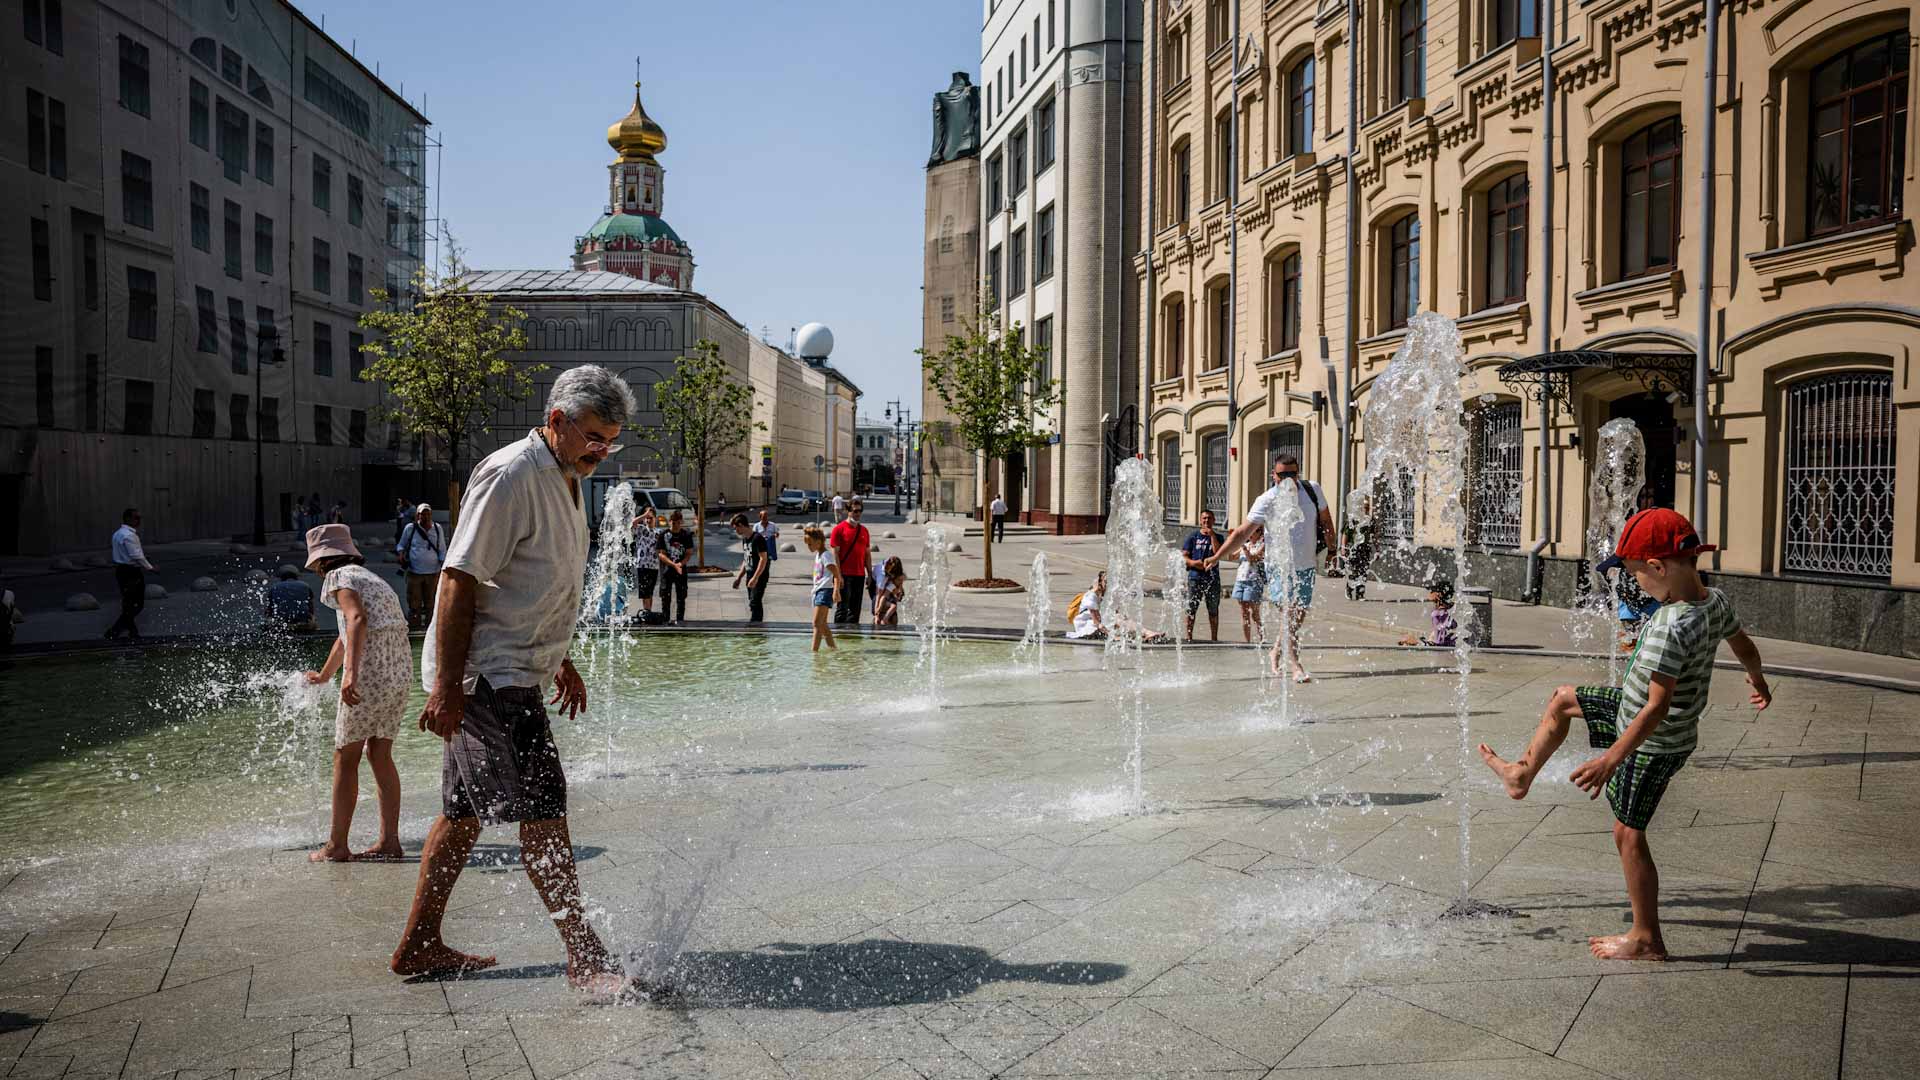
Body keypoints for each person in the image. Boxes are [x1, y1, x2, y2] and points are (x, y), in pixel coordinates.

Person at [391, 364, 641, 999]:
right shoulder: (510, 475)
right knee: (546, 810)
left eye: (610, 440)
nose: (600, 450)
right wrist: (447, 686)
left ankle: (419, 944)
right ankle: (583, 956)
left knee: (462, 814)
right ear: (555, 421)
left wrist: (560, 657)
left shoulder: (566, 476)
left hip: (516, 670)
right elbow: (458, 579)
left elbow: (533, 581)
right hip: (489, 680)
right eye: (592, 435)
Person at [1479, 507, 1770, 962]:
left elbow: (1655, 708)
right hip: (1636, 715)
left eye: (1635, 575)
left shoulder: (1671, 628)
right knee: (1563, 699)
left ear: (1657, 567)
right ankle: (1521, 774)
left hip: (1653, 741)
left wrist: (1610, 759)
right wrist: (1757, 678)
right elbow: (1743, 644)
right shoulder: (1715, 601)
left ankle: (1646, 937)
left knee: (1627, 834)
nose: (1635, 584)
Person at [301, 525, 409, 863]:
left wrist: (350, 674)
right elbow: (347, 631)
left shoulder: (338, 578)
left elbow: (357, 619)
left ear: (322, 562)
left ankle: (337, 846)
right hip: (398, 675)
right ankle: (390, 842)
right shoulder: (370, 578)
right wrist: (325, 674)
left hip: (369, 676)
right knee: (380, 755)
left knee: (344, 758)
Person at [1211, 453, 1335, 682]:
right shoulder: (1266, 500)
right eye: (1282, 474)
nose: (1288, 479)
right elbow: (1241, 532)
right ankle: (1296, 665)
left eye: (1292, 474)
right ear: (1273, 475)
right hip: (1279, 567)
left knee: (1296, 616)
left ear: (1298, 473)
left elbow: (1326, 520)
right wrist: (1218, 555)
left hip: (1307, 565)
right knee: (1289, 613)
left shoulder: (1312, 490)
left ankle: (1275, 651)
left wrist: (1333, 550)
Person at [105, 508, 155, 641]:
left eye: (139, 518)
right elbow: (136, 555)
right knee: (137, 604)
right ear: (127, 519)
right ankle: (114, 631)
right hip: (131, 572)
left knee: (128, 604)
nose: (138, 521)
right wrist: (150, 568)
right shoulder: (129, 535)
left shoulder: (117, 534)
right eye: (136, 518)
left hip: (121, 570)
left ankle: (132, 632)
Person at [396, 504, 446, 631]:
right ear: (418, 515)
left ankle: (430, 628)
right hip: (415, 572)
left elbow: (442, 549)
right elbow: (401, 545)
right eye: (423, 513)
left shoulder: (437, 528)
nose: (426, 516)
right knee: (414, 602)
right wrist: (401, 555)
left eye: (428, 513)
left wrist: (443, 566)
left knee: (431, 602)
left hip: (433, 572)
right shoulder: (410, 528)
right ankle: (414, 627)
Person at [1181, 510, 1224, 642]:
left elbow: (1218, 554)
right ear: (1200, 521)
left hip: (1212, 578)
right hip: (1195, 577)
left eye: (1209, 518)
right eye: (1204, 519)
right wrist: (1193, 563)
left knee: (1213, 609)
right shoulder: (1193, 536)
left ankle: (1214, 638)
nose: (1206, 521)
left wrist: (1212, 536)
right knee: (1191, 609)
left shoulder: (1219, 537)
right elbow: (1184, 556)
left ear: (1214, 520)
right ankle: (1189, 637)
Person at [828, 497, 871, 627]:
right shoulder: (839, 529)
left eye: (860, 511)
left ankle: (853, 637)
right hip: (844, 575)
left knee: (855, 610)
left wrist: (870, 574)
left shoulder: (864, 530)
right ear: (848, 511)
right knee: (842, 608)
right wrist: (838, 576)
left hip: (859, 575)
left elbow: (867, 554)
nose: (858, 514)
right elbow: (835, 554)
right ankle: (839, 636)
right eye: (855, 511)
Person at [804, 525, 840, 651]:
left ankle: (814, 652)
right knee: (823, 624)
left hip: (825, 591)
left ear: (818, 542)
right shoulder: (819, 554)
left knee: (816, 623)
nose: (808, 547)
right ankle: (833, 648)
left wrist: (836, 591)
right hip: (819, 590)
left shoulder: (826, 555)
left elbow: (836, 574)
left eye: (810, 544)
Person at [730, 513, 771, 623]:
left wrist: (756, 577)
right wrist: (739, 578)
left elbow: (763, 559)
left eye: (736, 528)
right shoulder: (745, 539)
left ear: (741, 525)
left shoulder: (758, 538)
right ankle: (756, 624)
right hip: (749, 574)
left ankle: (756, 625)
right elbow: (746, 559)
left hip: (760, 575)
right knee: (752, 602)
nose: (736, 531)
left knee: (755, 601)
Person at [1230, 524, 1267, 643]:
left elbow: (1252, 559)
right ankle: (1247, 641)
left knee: (1254, 613)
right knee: (1244, 612)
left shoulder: (1262, 546)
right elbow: (1231, 557)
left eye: (1254, 531)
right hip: (1240, 581)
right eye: (1249, 532)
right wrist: (1232, 541)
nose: (1251, 534)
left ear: (1259, 533)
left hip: (1253, 582)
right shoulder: (1245, 545)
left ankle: (1262, 639)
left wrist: (1243, 548)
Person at [656, 509, 693, 625]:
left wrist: (680, 564)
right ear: (669, 522)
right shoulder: (663, 535)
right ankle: (666, 618)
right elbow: (661, 554)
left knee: (681, 596)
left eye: (677, 522)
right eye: (672, 521)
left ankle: (680, 619)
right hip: (667, 570)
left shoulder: (685, 535)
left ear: (681, 522)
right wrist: (673, 565)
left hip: (681, 569)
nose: (674, 524)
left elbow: (688, 553)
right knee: (665, 596)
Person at [1399, 580, 1457, 647]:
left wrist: (1415, 643)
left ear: (1438, 594)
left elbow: (1438, 644)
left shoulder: (1438, 614)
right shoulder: (1446, 612)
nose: (1430, 593)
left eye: (1432, 591)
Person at [629, 505, 660, 618]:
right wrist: (644, 515)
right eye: (647, 518)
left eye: (650, 518)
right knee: (644, 591)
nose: (648, 520)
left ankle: (648, 612)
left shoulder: (658, 532)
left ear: (655, 518)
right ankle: (646, 612)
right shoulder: (641, 529)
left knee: (650, 591)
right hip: (642, 565)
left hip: (654, 566)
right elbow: (632, 523)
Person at [264, 567, 317, 632]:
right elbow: (310, 605)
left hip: (280, 625)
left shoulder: (274, 587)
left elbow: (270, 608)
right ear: (296, 578)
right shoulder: (305, 586)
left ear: (282, 579)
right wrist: (311, 618)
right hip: (302, 623)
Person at [1066, 573, 1107, 640]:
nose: (1108, 585)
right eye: (1105, 582)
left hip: (1097, 622)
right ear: (1100, 583)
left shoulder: (1105, 596)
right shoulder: (1091, 596)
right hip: (1085, 624)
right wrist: (1111, 635)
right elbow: (1096, 622)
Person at [874, 556, 906, 626]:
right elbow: (880, 596)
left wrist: (899, 593)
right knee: (890, 609)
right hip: (881, 598)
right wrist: (878, 610)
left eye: (902, 581)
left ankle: (885, 622)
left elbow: (899, 594)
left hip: (888, 597)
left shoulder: (895, 582)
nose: (901, 583)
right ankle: (883, 620)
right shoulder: (884, 579)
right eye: (899, 581)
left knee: (894, 619)